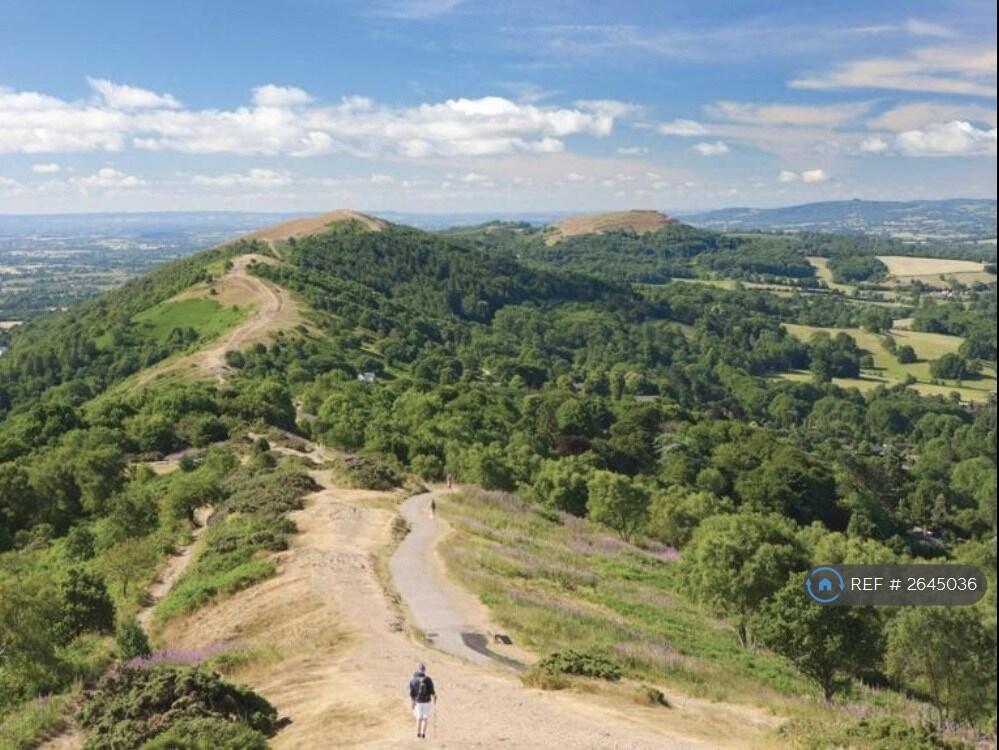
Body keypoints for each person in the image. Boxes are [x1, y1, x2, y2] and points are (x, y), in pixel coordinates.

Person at [408, 663, 437, 739]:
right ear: (424, 670)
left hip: (418, 701)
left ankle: (418, 734)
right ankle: (423, 734)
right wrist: (434, 697)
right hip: (427, 701)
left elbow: (411, 693)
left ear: (418, 670)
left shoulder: (413, 679)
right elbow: (432, 691)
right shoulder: (428, 679)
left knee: (419, 718)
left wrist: (413, 702)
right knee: (425, 718)